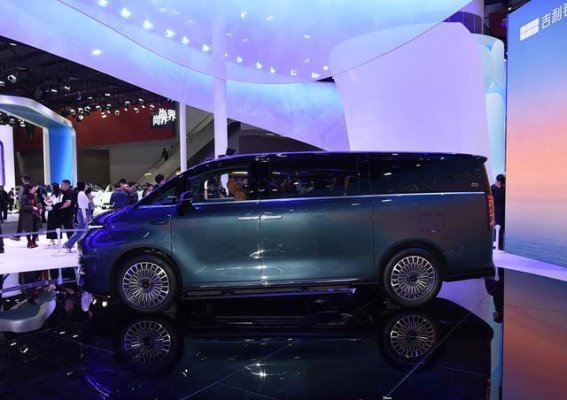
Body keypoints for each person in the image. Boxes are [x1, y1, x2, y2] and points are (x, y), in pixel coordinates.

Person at [64, 182, 89, 252]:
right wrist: (84, 216)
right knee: (80, 231)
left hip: (82, 213)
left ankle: (70, 244)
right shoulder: (81, 193)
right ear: (83, 186)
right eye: (86, 184)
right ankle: (68, 244)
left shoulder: (82, 193)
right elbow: (82, 206)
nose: (87, 186)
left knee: (81, 230)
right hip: (82, 213)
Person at [20, 184, 42, 248]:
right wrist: (32, 207)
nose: (35, 190)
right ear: (29, 189)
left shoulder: (35, 195)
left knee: (36, 228)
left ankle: (33, 241)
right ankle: (29, 242)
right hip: (28, 216)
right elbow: (23, 206)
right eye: (33, 189)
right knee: (28, 229)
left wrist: (41, 208)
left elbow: (39, 202)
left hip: (36, 215)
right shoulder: (24, 196)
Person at [11, 176, 31, 241]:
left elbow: (20, 198)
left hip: (24, 207)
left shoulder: (22, 187)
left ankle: (17, 236)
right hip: (32, 207)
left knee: (21, 222)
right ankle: (35, 236)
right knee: (32, 221)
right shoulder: (32, 187)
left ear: (23, 180)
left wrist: (20, 205)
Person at [491, 174, 506, 250]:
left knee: (500, 228)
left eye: (496, 180)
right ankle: (494, 243)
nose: (495, 182)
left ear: (499, 182)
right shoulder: (493, 188)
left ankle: (500, 245)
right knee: (494, 227)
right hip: (494, 210)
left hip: (501, 211)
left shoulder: (504, 190)